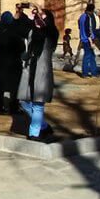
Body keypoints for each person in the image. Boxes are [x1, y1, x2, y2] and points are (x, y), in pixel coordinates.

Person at [17, 9, 58, 141]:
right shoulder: (31, 31)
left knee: (38, 104)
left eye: (42, 18)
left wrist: (42, 19)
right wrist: (21, 12)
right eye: (37, 18)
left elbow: (49, 30)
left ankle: (34, 134)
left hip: (42, 71)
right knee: (23, 101)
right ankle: (44, 126)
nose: (38, 20)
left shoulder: (51, 33)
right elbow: (18, 26)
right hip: (29, 71)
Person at [0, 11, 24, 115]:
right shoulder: (15, 31)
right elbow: (21, 47)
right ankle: (14, 107)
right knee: (14, 87)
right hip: (13, 62)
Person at [78, 3, 99, 77]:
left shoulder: (81, 17)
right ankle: (85, 73)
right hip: (87, 40)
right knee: (87, 56)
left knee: (92, 56)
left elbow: (80, 28)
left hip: (83, 39)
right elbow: (88, 30)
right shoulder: (88, 17)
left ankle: (94, 72)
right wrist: (91, 41)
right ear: (92, 10)